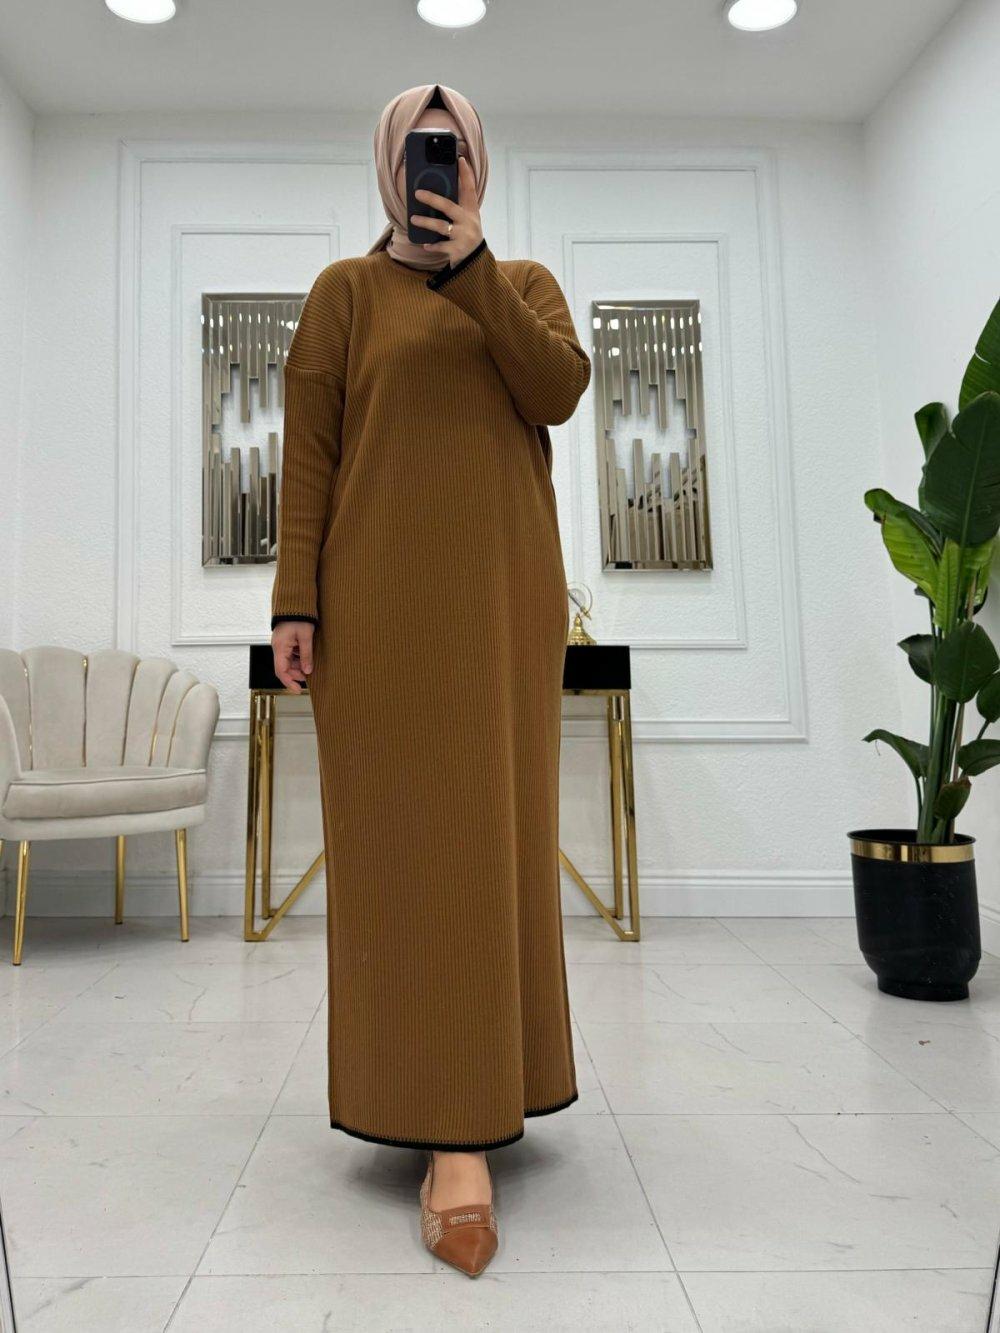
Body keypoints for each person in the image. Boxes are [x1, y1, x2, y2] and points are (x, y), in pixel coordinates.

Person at [270, 82, 591, 1277]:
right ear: (386, 169)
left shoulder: (524, 285)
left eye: (450, 153)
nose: (434, 171)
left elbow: (556, 391)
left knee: (489, 849)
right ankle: (425, 1101)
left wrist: (472, 271)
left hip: (501, 610)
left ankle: (469, 1127)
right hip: (376, 615)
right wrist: (293, 601)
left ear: (479, 170)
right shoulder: (343, 295)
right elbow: (309, 457)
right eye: (417, 153)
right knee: (399, 861)